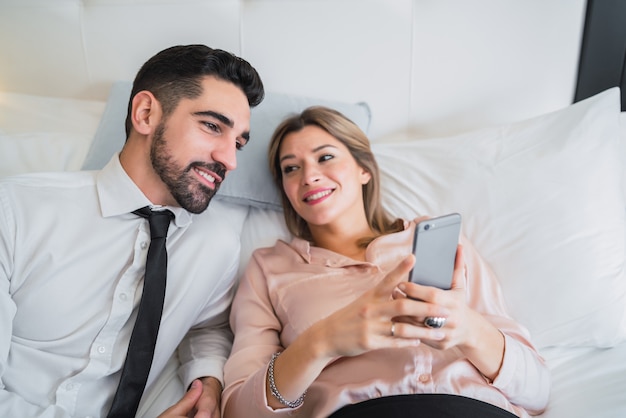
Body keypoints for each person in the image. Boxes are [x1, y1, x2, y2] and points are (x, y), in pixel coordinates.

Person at [221, 106, 550, 418]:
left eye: (325, 157)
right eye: (291, 168)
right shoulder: (269, 268)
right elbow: (239, 410)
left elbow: (536, 390)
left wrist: (466, 327)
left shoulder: (439, 240)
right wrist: (322, 342)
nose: (309, 176)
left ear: (364, 169)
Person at [0, 44, 264, 417]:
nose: (230, 159)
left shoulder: (217, 244)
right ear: (145, 114)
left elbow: (207, 329)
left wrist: (208, 382)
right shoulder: (14, 211)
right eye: (212, 126)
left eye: (237, 142)